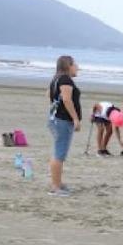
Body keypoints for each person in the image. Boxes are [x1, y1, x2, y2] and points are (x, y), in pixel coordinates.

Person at [46, 55, 82, 196]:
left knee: (59, 152)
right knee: (59, 154)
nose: (77, 67)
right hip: (62, 120)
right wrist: (75, 119)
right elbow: (67, 100)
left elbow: (49, 95)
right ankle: (55, 187)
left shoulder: (56, 78)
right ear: (68, 65)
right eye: (75, 64)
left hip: (55, 119)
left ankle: (58, 183)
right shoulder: (65, 79)